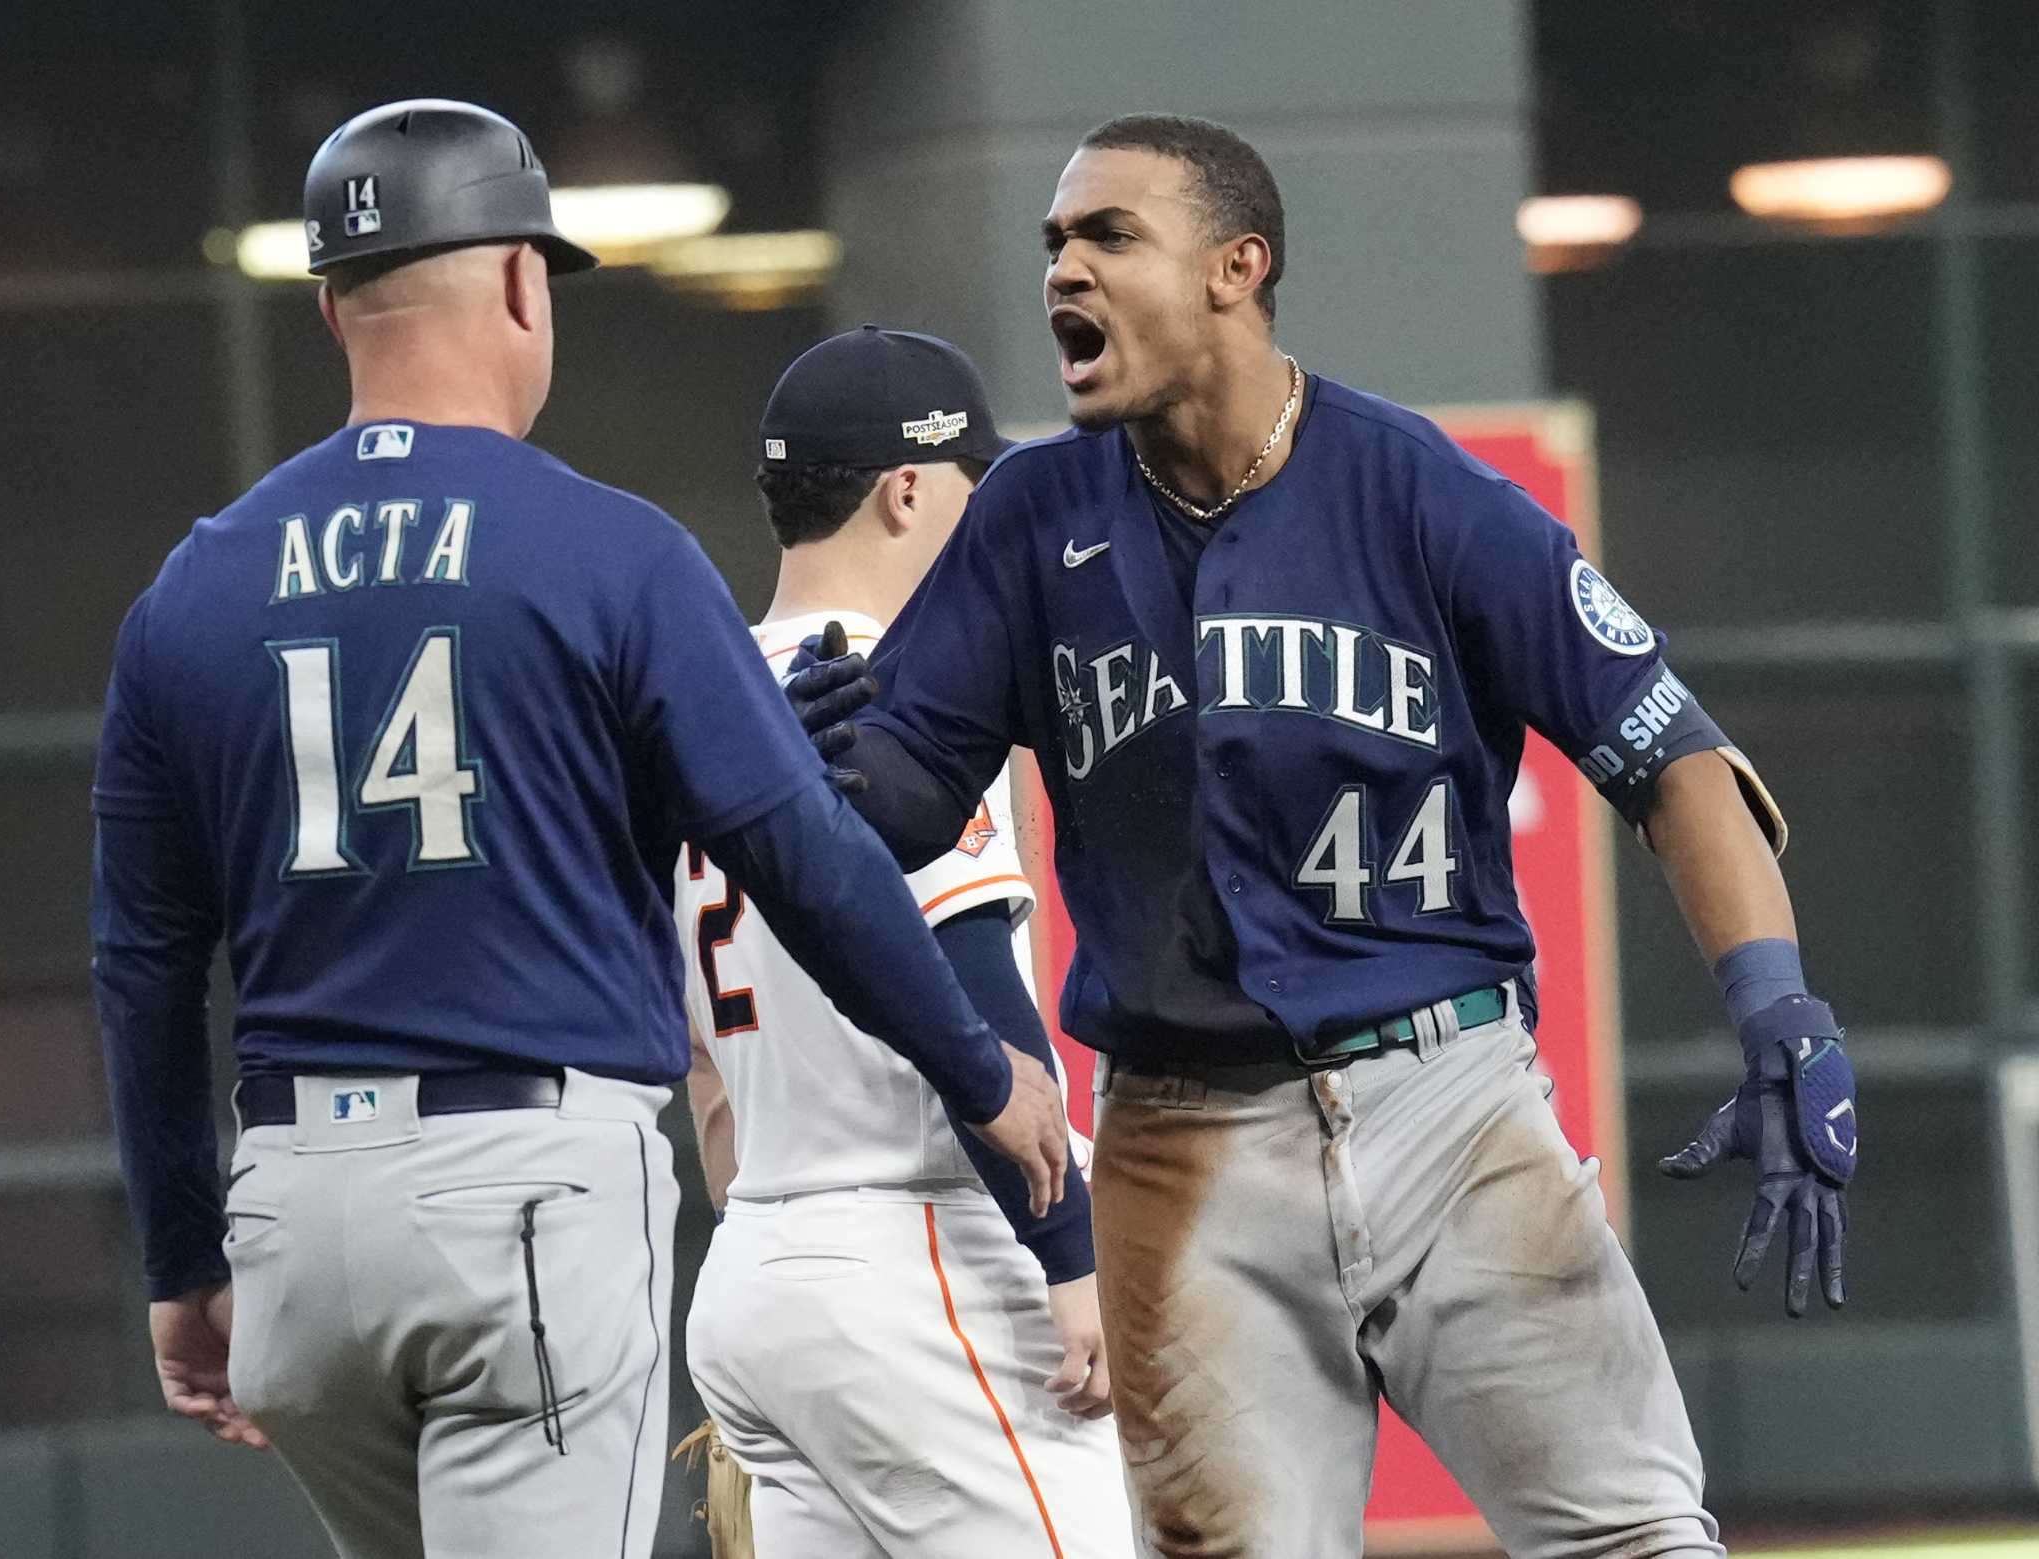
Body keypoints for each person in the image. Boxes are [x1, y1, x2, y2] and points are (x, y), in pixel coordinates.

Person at [794, 114, 1859, 1558]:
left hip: (1449, 1099)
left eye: (1111, 235)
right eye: (1055, 242)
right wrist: (820, 769)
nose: (1067, 269)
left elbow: (1670, 756)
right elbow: (912, 791)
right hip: (1181, 1138)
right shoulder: (1036, 515)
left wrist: (1775, 1000)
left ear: (1239, 266)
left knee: (1634, 1538)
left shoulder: (1415, 487)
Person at [88, 99, 1065, 1559]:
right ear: (522, 283)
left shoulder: (192, 586)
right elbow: (798, 850)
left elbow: (144, 963)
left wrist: (181, 1253)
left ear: (330, 304)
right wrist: (981, 1066)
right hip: (523, 1196)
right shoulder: (608, 550)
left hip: (293, 1221)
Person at [678, 326, 1135, 1558]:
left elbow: (705, 1077)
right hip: (923, 1257)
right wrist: (1070, 1256)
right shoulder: (892, 697)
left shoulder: (699, 715)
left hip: (759, 1262)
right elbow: (979, 990)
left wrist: (785, 1247)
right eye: (973, 488)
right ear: (907, 489)